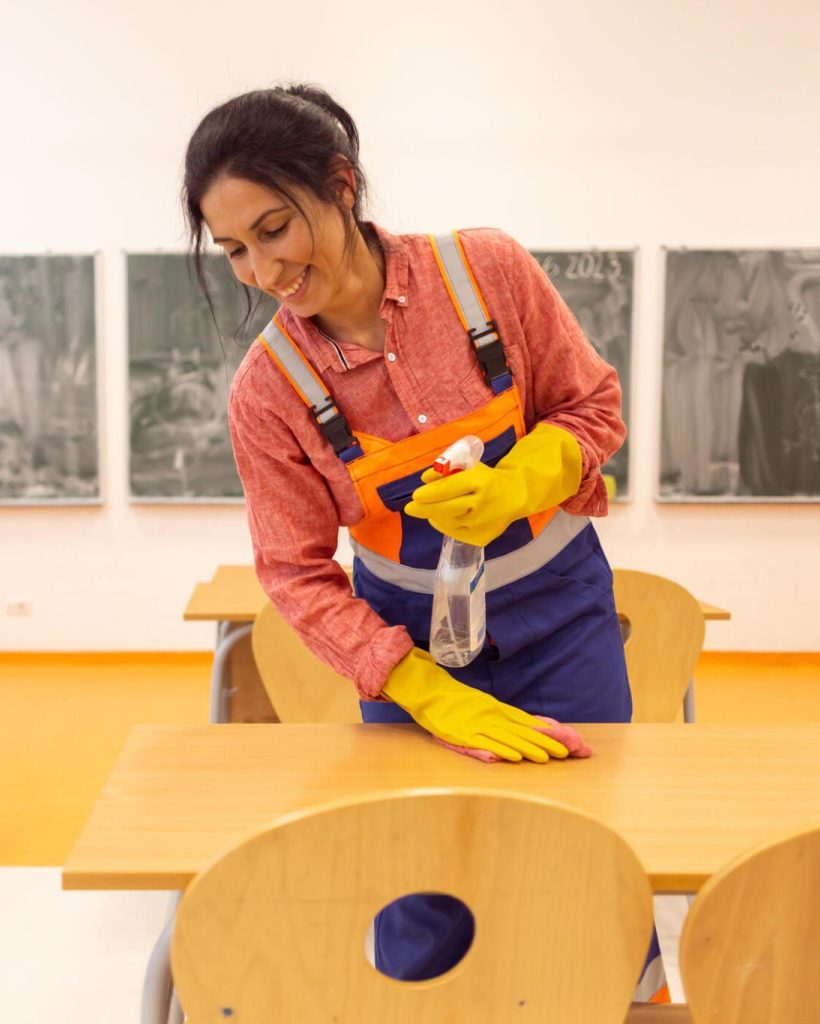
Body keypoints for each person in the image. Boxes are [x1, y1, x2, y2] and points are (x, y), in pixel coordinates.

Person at [182, 84, 667, 1002]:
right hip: (407, 643)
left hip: (562, 617)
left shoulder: (486, 273)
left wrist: (528, 478)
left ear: (342, 184)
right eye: (235, 250)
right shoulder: (269, 389)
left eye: (276, 228)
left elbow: (591, 404)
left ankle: (609, 1004)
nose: (262, 269)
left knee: (588, 853)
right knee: (423, 880)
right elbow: (292, 570)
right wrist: (413, 686)